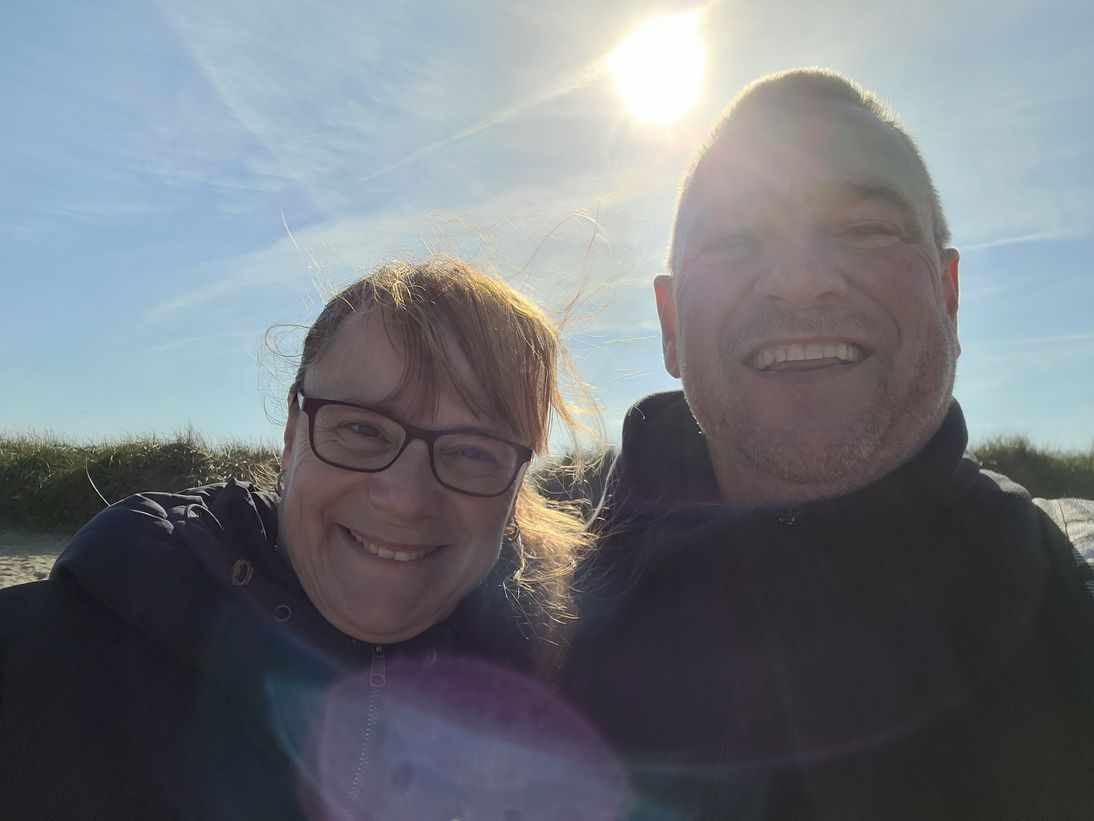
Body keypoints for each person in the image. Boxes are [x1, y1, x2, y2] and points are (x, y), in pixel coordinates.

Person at [567, 69, 1094, 820]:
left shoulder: (1069, 606)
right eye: (735, 238)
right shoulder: (530, 620)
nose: (801, 280)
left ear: (949, 296)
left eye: (865, 228)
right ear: (670, 323)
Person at [0, 259, 627, 819]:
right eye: (361, 429)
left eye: (471, 451)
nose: (405, 498)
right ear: (293, 435)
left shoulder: (562, 686)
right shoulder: (61, 651)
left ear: (516, 485)